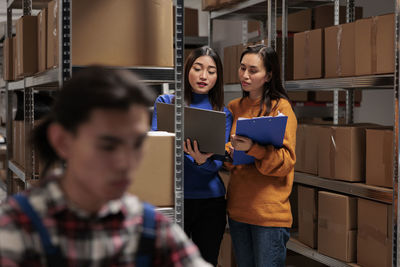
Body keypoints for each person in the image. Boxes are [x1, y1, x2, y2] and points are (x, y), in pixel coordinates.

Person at [0, 67, 211, 267]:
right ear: (62, 141)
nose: (126, 163)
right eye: (108, 145)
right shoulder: (17, 229)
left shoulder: (151, 229)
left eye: (137, 144)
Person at [151, 46, 232, 266]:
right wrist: (194, 158)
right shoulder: (166, 103)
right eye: (198, 68)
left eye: (211, 71)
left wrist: (199, 160)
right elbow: (158, 150)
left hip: (211, 201)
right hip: (175, 200)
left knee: (207, 261)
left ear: (218, 76)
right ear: (188, 70)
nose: (204, 76)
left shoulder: (222, 113)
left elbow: (216, 163)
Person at [226, 45, 297, 267]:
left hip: (269, 216)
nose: (245, 75)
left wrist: (253, 148)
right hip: (238, 212)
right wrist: (228, 151)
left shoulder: (281, 108)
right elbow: (232, 163)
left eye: (253, 70)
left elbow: (285, 163)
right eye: (242, 68)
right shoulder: (234, 107)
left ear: (269, 75)